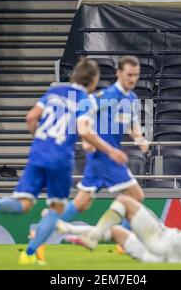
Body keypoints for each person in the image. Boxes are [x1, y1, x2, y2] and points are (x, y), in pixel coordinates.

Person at [0, 58, 128, 265]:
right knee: (56, 209)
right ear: (93, 80)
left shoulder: (54, 92)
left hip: (38, 153)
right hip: (60, 158)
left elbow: (30, 117)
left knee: (23, 203)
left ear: (74, 75)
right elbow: (84, 130)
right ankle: (29, 253)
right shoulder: (85, 101)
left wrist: (40, 137)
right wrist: (110, 150)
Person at [57, 55, 149, 234]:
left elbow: (132, 124)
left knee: (82, 202)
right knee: (136, 196)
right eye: (129, 75)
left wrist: (140, 139)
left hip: (100, 157)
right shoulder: (107, 95)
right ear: (118, 73)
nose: (132, 79)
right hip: (106, 156)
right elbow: (82, 110)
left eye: (136, 75)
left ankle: (46, 225)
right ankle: (121, 239)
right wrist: (85, 139)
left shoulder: (131, 99)